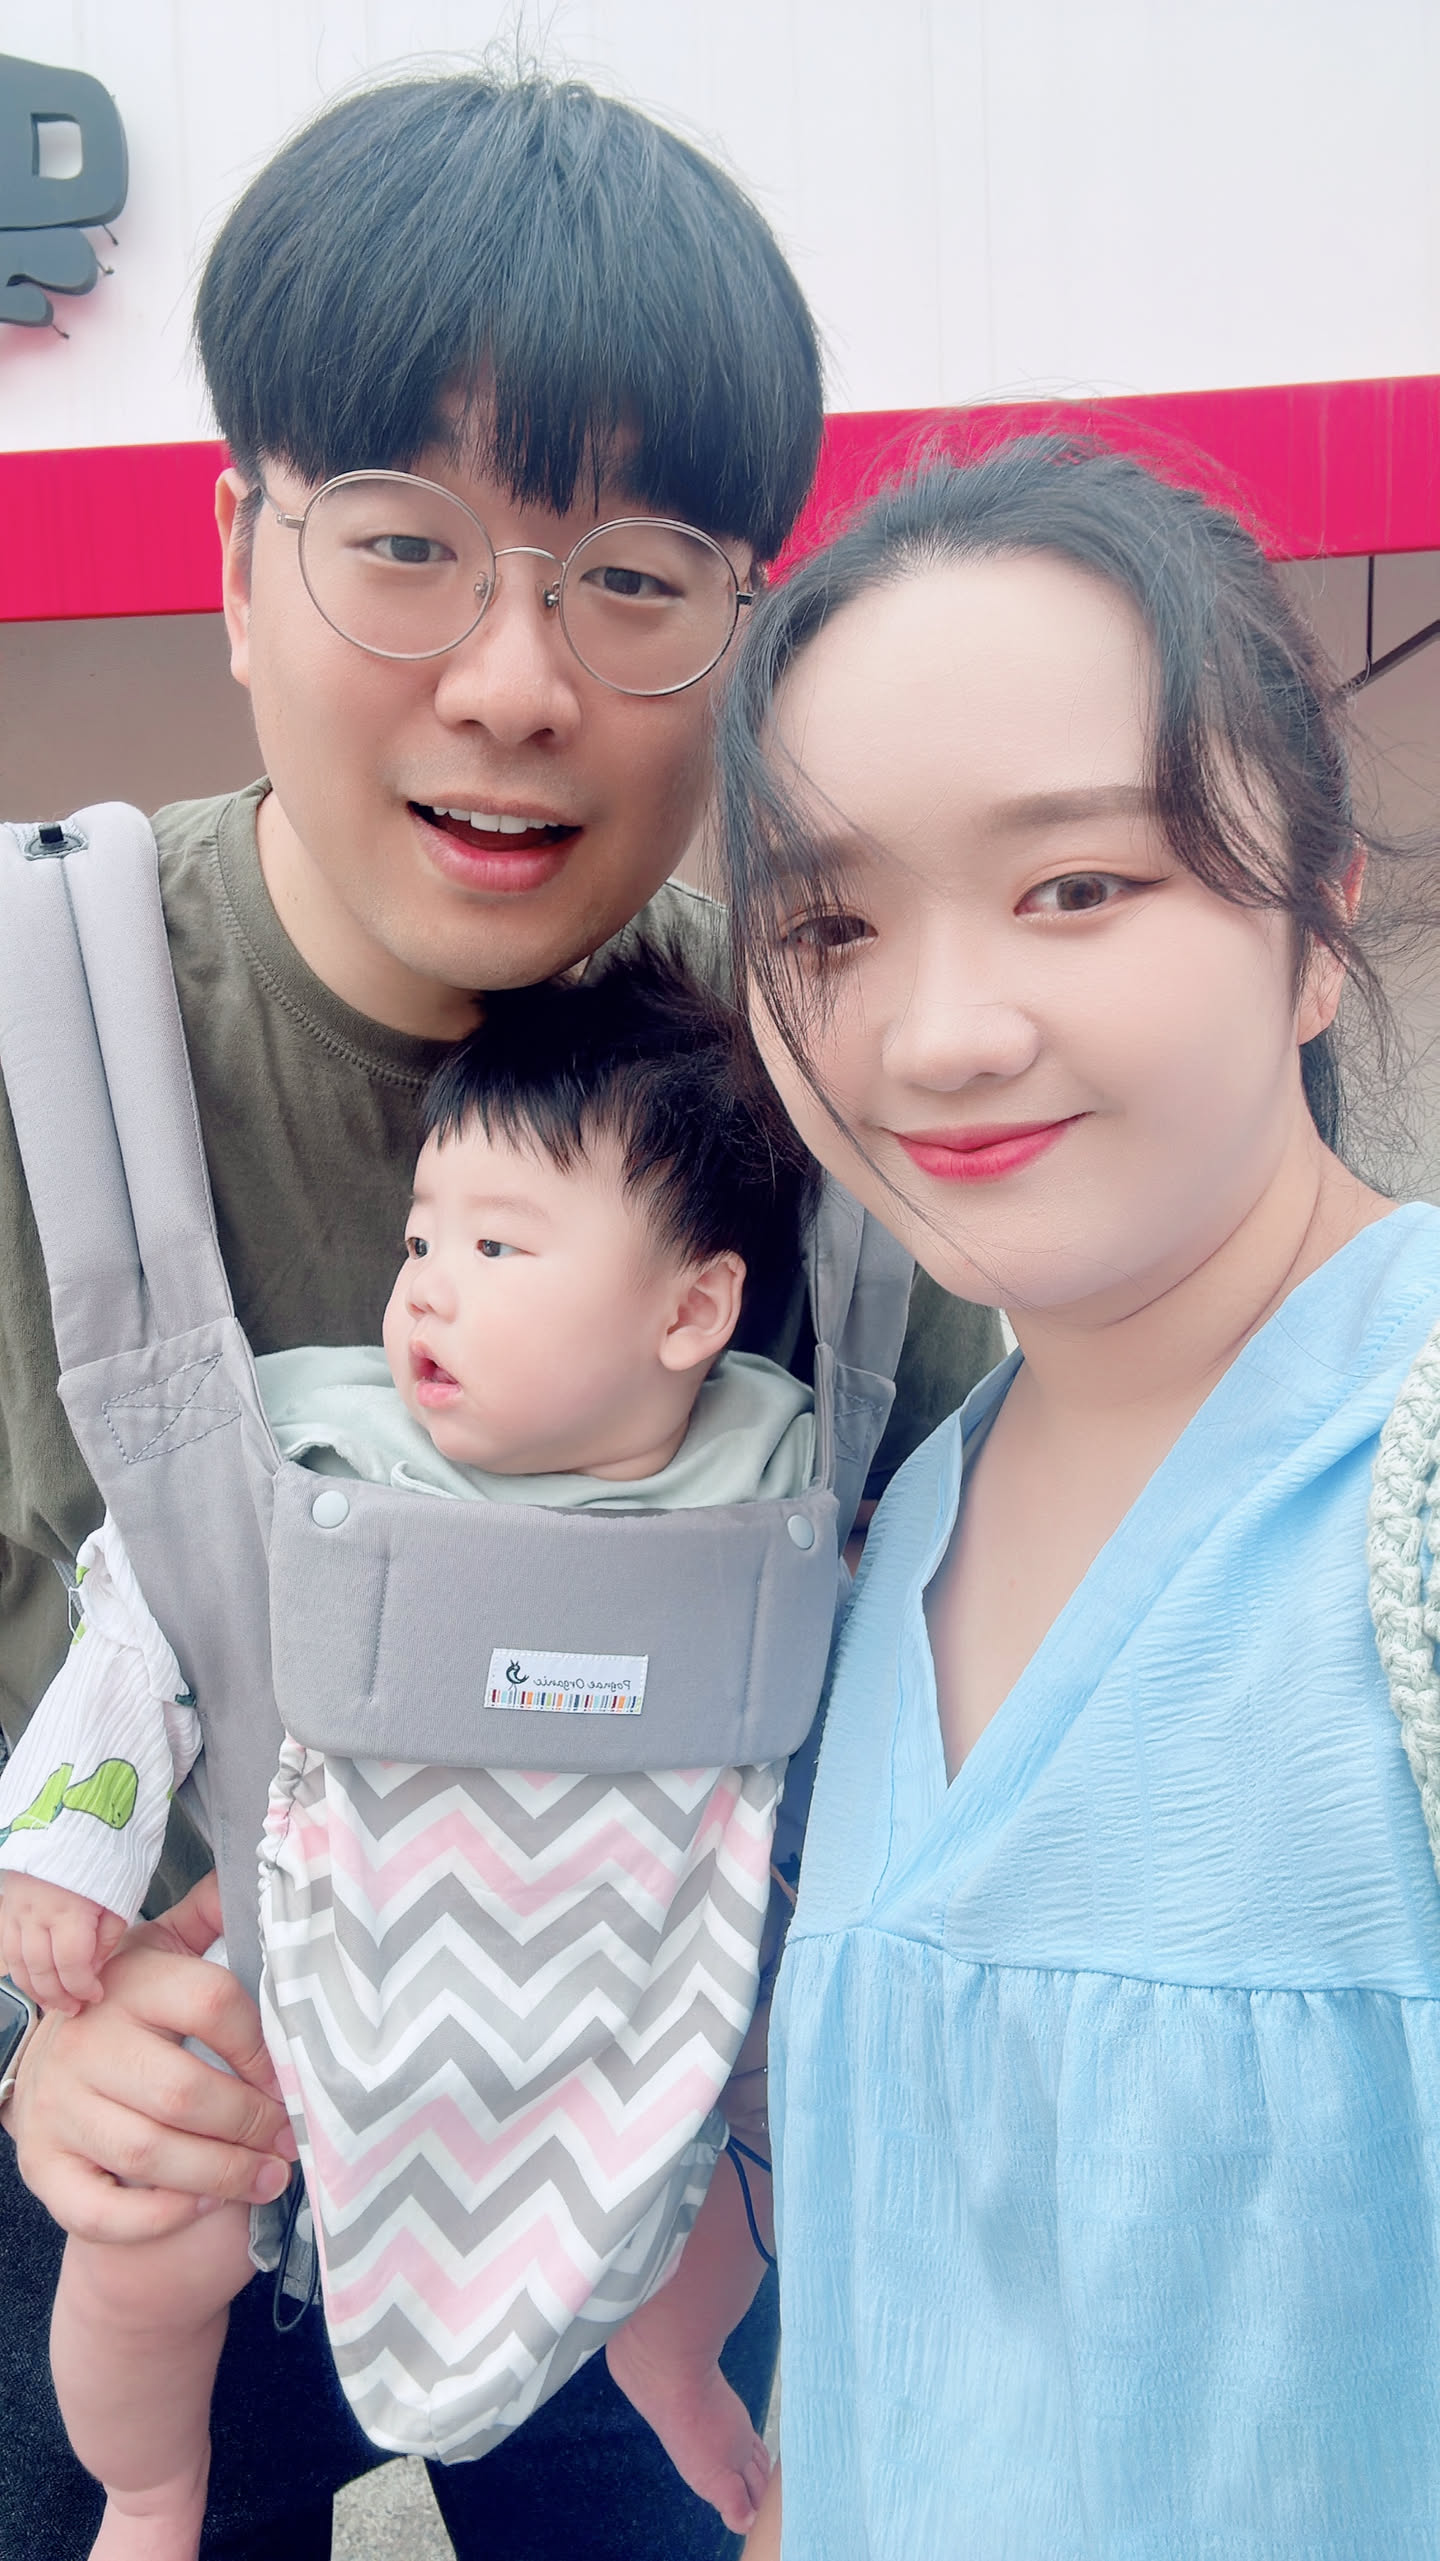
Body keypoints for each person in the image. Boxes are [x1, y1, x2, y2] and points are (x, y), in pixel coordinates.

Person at [0, 71, 998, 2561]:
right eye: (404, 546)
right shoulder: (35, 1044)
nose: (516, 680)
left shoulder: (833, 1099)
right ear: (239, 565)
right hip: (141, 2192)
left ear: (744, 632)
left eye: (634, 579)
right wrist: (32, 2025)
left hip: (635, 2179)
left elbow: (992, 1662)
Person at [717, 439, 1440, 2559]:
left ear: (1317, 919)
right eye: (831, 923)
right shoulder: (906, 1522)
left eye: (1079, 886)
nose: (939, 1036)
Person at [1, 960, 817, 2560]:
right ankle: (153, 2488)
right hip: (327, 1975)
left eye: (496, 1247)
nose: (426, 1290)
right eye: (421, 1240)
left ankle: (677, 2374)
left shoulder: (769, 1454)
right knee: (147, 2262)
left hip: (634, 2000)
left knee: (733, 2194)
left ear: (691, 1312)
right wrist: (62, 1855)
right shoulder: (327, 1439)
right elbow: (146, 1612)